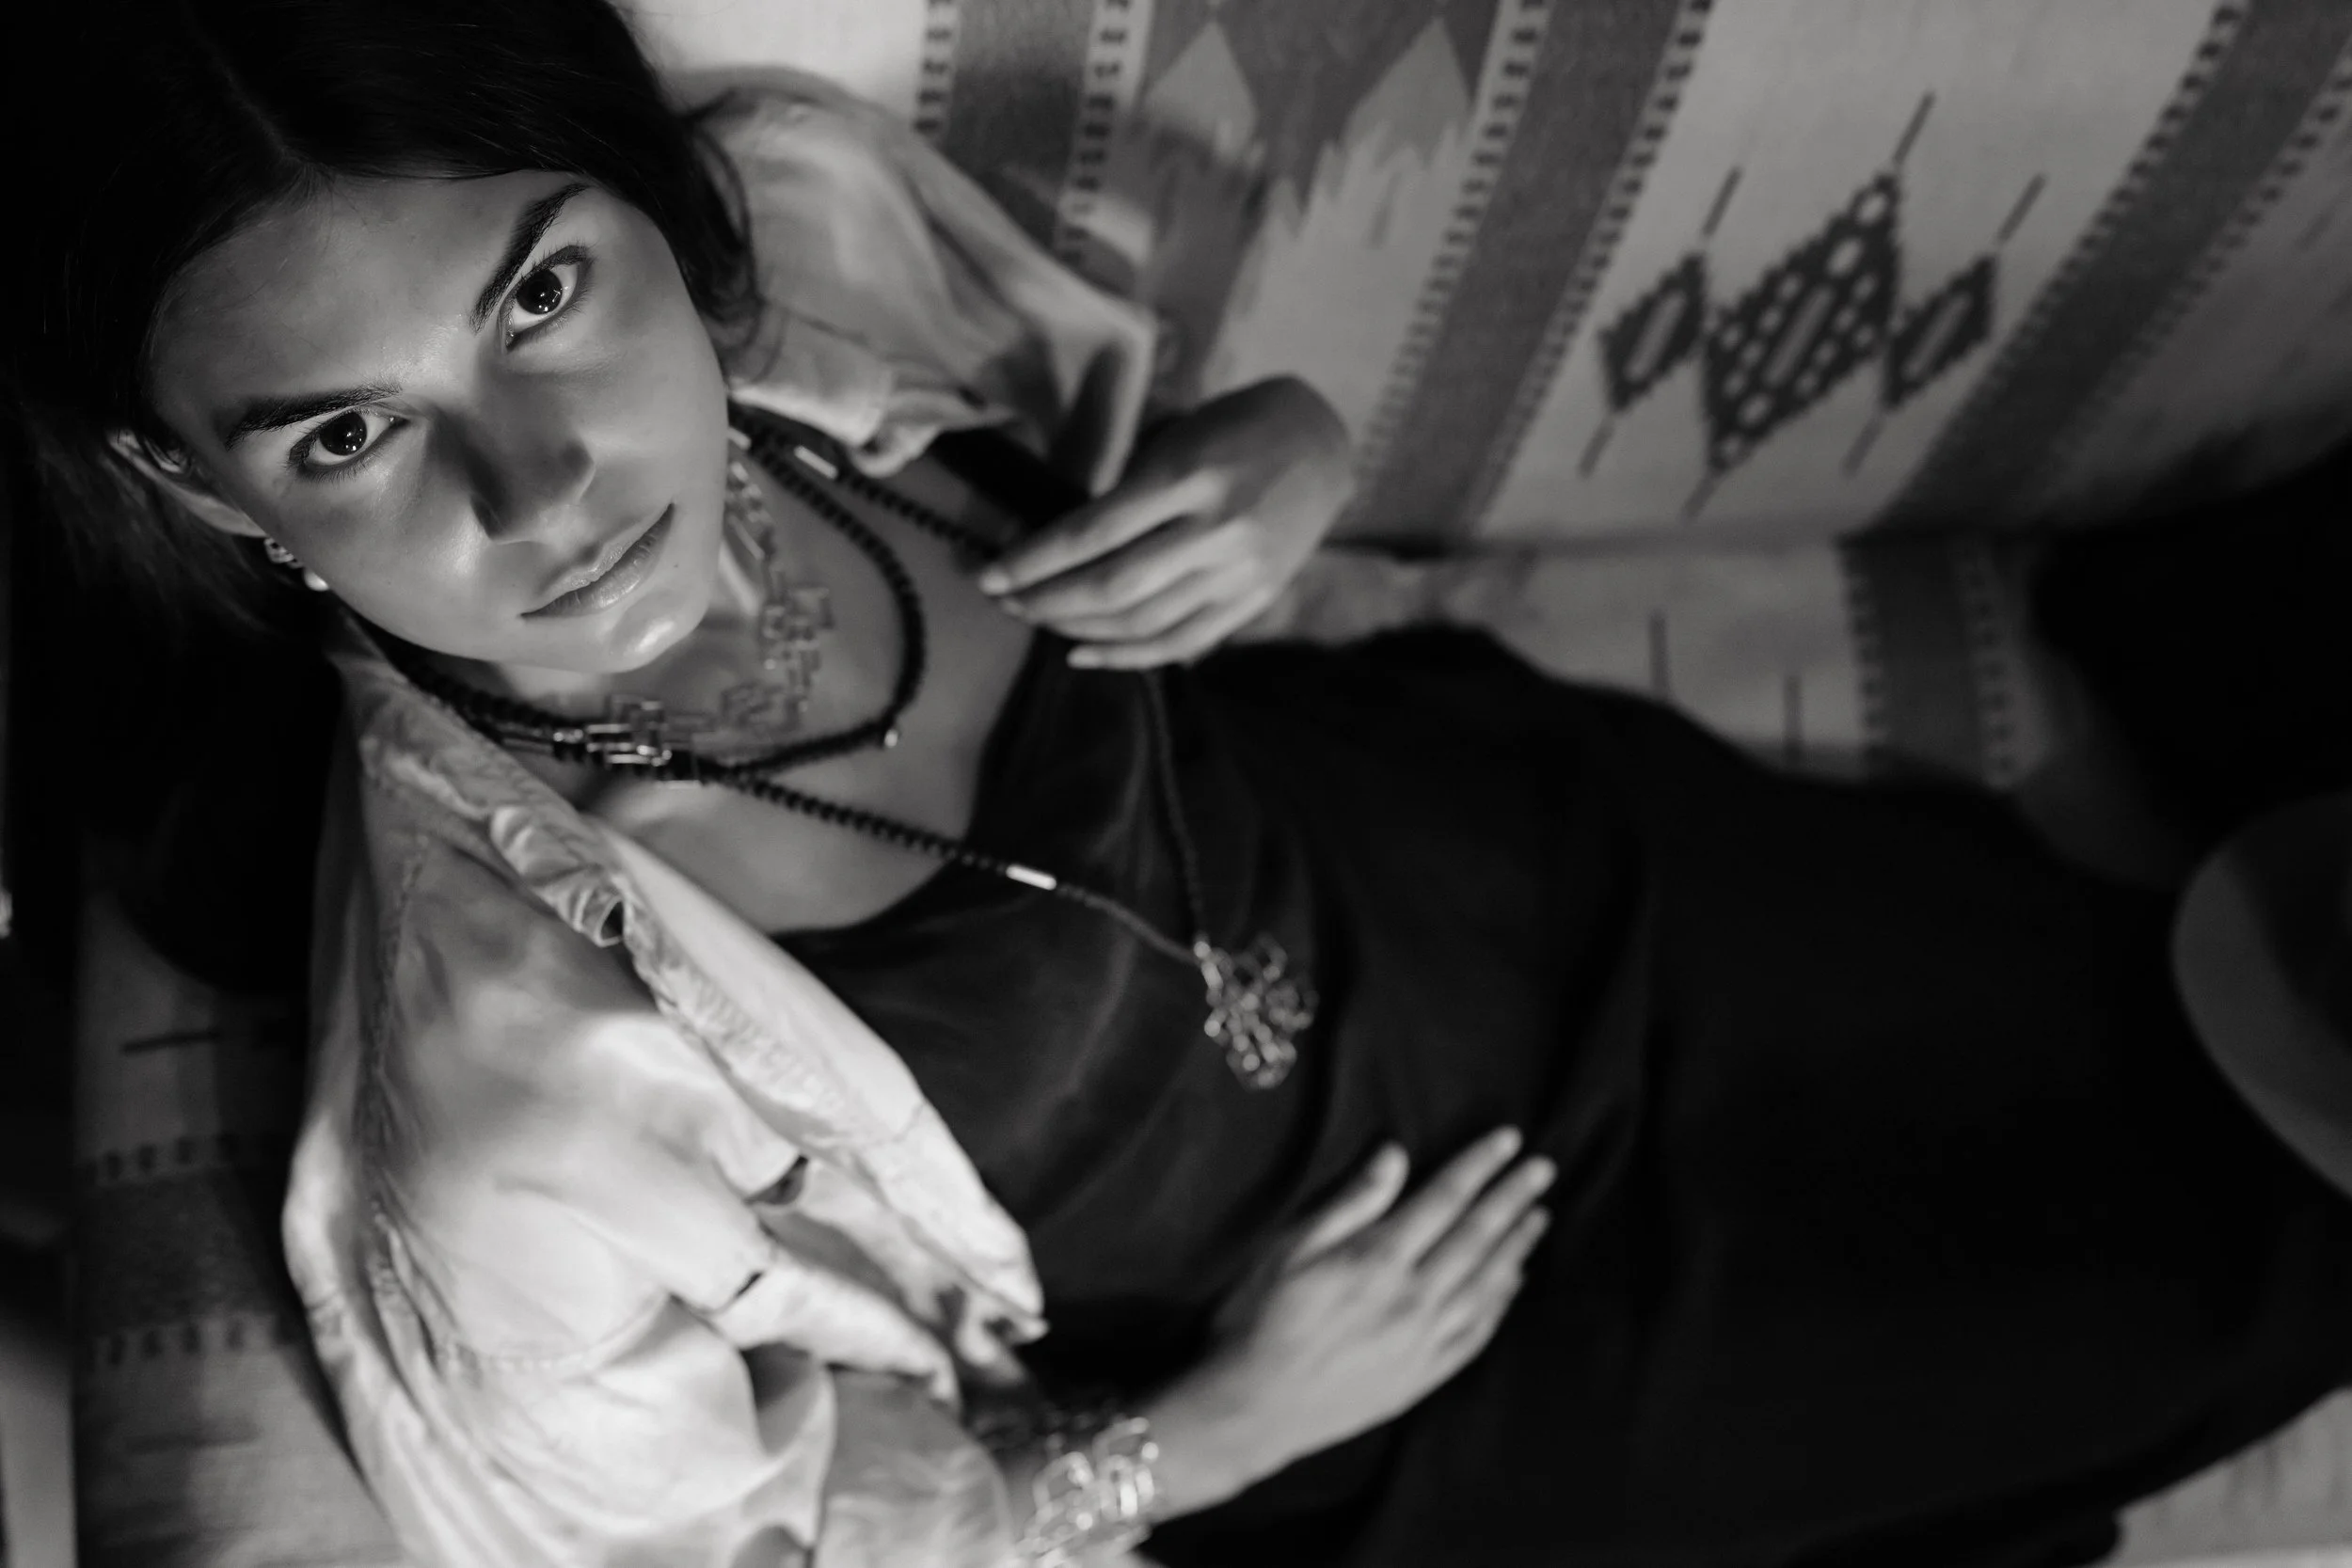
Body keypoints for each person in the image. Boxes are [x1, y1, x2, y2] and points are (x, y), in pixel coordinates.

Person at [9, 3, 2352, 1564]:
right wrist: (1209, 1433)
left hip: (1491, 865)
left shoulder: (804, 266)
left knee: (2140, 1007)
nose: (541, 487)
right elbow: (699, 1549)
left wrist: (1281, 457)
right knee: (2210, 1285)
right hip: (1408, 1324)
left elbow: (1133, 425)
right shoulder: (512, 1106)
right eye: (345, 433)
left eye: (540, 298)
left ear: (652, 219)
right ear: (213, 502)